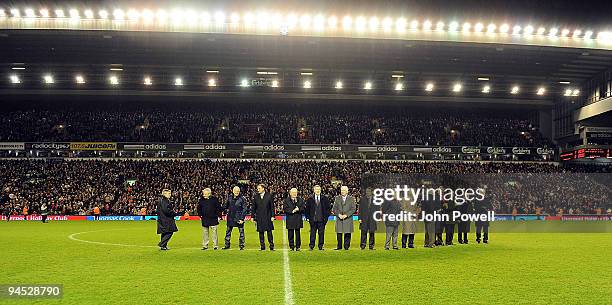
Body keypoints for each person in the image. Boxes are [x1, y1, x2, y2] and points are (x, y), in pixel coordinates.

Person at [304, 185, 331, 250]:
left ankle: (321, 246)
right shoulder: (310, 199)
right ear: (314, 190)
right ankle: (311, 246)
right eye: (316, 189)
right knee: (312, 234)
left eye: (319, 189)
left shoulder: (324, 198)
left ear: (320, 190)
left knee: (321, 234)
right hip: (313, 220)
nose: (317, 191)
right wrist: (308, 217)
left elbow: (328, 209)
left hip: (322, 220)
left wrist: (326, 218)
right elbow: (307, 209)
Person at [223, 186, 248, 250]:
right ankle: (227, 245)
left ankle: (241, 246)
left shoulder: (242, 198)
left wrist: (242, 218)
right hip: (230, 217)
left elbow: (244, 209)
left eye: (238, 191)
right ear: (233, 191)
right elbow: (225, 206)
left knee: (241, 233)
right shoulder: (229, 197)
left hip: (239, 218)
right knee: (228, 232)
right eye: (236, 191)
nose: (237, 192)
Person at [252, 184, 275, 251]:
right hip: (259, 217)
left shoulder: (269, 196)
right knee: (261, 232)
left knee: (269, 232)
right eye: (257, 188)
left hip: (268, 216)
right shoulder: (256, 197)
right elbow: (253, 207)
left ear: (263, 188)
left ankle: (271, 246)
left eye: (259, 188)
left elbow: (272, 207)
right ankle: (262, 247)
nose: (258, 189)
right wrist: (252, 216)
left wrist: (273, 216)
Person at [332, 185, 356, 250]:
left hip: (348, 218)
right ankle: (339, 247)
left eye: (344, 190)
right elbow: (334, 209)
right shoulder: (337, 198)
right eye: (342, 190)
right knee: (339, 233)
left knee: (347, 233)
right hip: (339, 218)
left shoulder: (351, 198)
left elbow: (353, 209)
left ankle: (346, 247)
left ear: (347, 191)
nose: (343, 191)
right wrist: (339, 215)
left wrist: (346, 215)